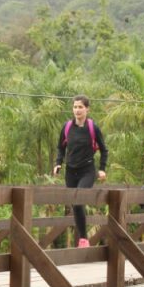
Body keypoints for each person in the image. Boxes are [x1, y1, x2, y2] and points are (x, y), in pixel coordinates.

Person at [52, 95, 108, 248]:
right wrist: (58, 163)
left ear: (87, 109)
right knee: (75, 204)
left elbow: (104, 150)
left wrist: (102, 169)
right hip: (71, 171)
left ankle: (83, 238)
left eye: (80, 107)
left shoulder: (92, 128)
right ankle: (83, 238)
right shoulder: (67, 127)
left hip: (87, 170)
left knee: (79, 198)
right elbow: (60, 147)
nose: (77, 110)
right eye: (75, 107)